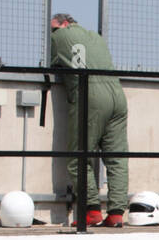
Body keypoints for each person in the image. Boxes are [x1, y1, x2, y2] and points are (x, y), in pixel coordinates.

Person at [49, 13, 128, 227]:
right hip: (117, 96)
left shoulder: (58, 37)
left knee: (79, 156)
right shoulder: (96, 37)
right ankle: (117, 213)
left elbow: (51, 63)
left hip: (90, 96)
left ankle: (91, 210)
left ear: (63, 24)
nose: (51, 34)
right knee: (117, 158)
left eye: (53, 29)